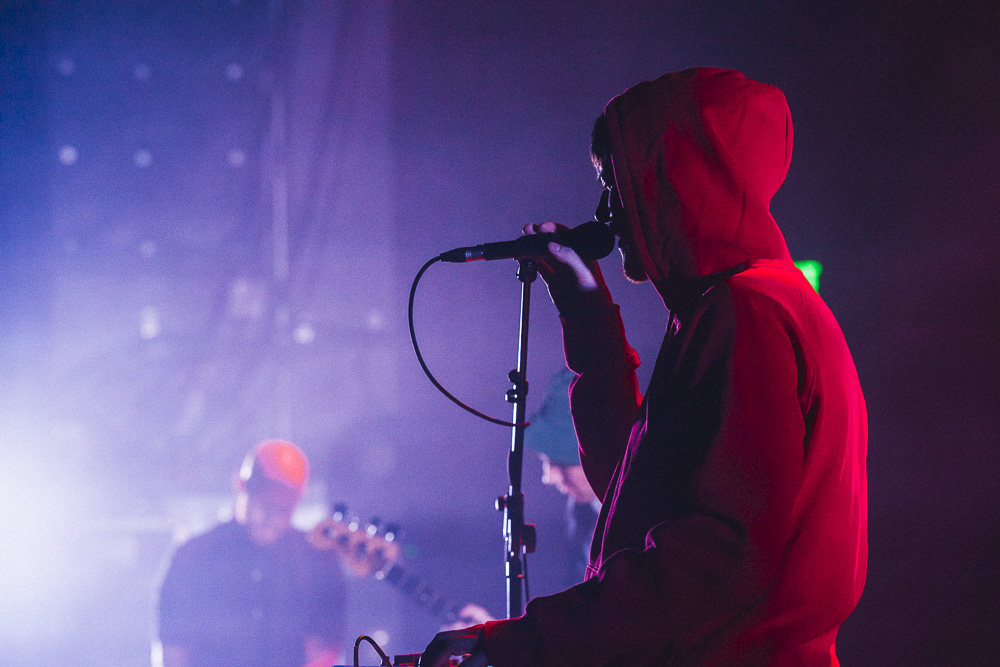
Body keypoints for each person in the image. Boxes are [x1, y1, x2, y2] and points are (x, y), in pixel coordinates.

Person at [421, 67, 868, 666]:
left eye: (617, 185)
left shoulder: (747, 313)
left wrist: (526, 644)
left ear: (677, 179)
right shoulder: (747, 305)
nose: (605, 214)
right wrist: (589, 319)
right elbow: (642, 504)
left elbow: (714, 559)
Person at [154, 440, 347, 667]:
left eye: (284, 508)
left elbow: (324, 651)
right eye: (265, 503)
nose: (272, 515)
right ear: (240, 485)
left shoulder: (317, 561)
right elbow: (173, 653)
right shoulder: (193, 556)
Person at [526, 368, 601, 586]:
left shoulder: (653, 529)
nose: (548, 478)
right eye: (546, 460)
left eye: (561, 461)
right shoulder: (582, 514)